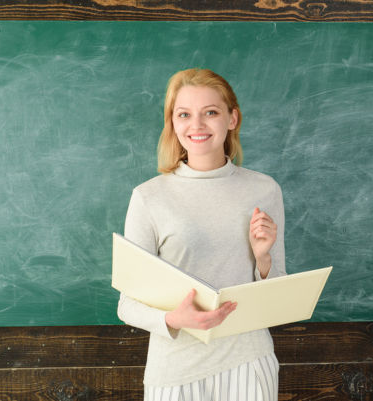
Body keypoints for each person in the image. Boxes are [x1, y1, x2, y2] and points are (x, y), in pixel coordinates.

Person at [117, 68, 286, 401]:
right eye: (184, 114)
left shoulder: (264, 190)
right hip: (175, 371)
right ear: (173, 123)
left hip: (249, 363)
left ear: (232, 118)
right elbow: (127, 305)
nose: (196, 125)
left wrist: (263, 257)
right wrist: (173, 318)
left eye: (210, 112)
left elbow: (277, 289)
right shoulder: (148, 197)